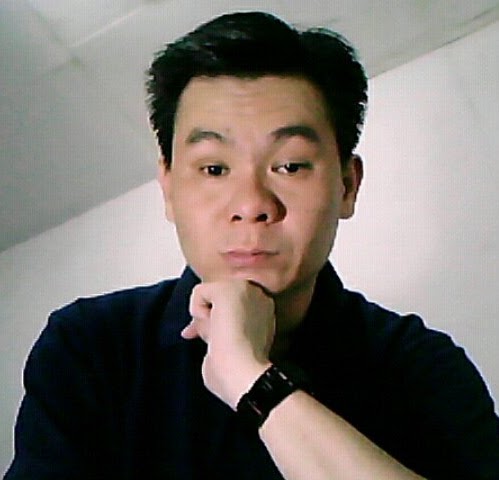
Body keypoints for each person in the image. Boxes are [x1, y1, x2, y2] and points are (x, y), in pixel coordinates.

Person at [5, 11, 499, 480]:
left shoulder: (422, 366)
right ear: (169, 189)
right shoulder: (91, 348)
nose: (251, 204)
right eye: (214, 168)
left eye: (290, 165)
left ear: (347, 186)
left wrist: (251, 378)